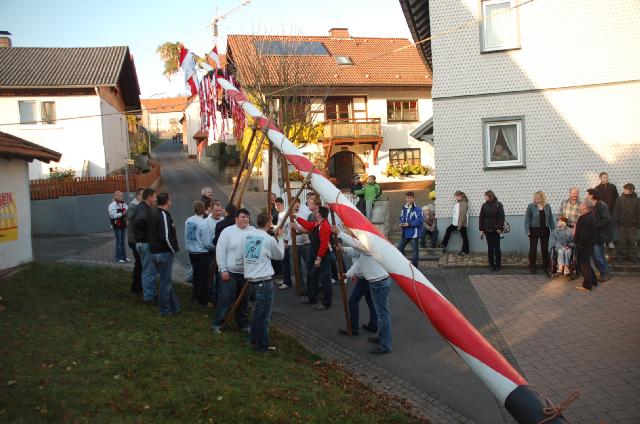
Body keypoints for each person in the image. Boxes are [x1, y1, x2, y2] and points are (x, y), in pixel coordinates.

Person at [336, 227, 392, 354]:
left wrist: (340, 233)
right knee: (380, 313)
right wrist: (343, 250)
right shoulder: (366, 245)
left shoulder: (368, 244)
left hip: (379, 282)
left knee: (383, 315)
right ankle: (382, 338)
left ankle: (385, 345)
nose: (355, 236)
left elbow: (357, 247)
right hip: (377, 282)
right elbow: (357, 254)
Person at [244, 212, 285, 353]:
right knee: (264, 316)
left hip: (253, 280)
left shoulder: (249, 236)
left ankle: (253, 339)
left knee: (258, 313)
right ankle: (262, 346)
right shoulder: (268, 239)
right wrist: (281, 238)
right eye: (271, 221)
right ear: (268, 223)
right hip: (264, 281)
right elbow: (279, 256)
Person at [212, 208, 255, 333]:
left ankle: (243, 323)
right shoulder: (227, 232)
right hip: (230, 272)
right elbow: (220, 251)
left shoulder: (253, 231)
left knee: (244, 300)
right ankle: (218, 323)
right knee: (226, 298)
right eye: (243, 217)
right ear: (236, 219)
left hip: (247, 273)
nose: (246, 219)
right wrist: (223, 269)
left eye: (247, 217)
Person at [332, 228, 378, 337]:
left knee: (353, 301)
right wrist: (343, 249)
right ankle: (374, 325)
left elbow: (359, 262)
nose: (352, 235)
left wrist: (347, 274)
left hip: (365, 277)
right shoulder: (362, 242)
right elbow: (355, 252)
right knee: (371, 301)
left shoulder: (364, 243)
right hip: (367, 276)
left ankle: (353, 328)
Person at [148, 193, 181, 316]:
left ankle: (175, 306)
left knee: (166, 280)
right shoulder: (163, 215)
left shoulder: (153, 213)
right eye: (170, 200)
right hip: (163, 253)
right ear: (167, 202)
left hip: (154, 252)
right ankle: (165, 310)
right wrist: (173, 249)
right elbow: (166, 236)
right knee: (165, 283)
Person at [295, 205, 332, 310]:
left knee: (325, 279)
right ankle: (312, 297)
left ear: (319, 214)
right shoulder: (318, 223)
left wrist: (319, 258)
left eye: (317, 211)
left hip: (324, 256)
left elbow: (324, 244)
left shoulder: (325, 225)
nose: (315, 212)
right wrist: (297, 218)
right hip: (319, 255)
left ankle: (326, 303)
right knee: (313, 275)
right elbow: (309, 226)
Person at [133, 188, 158, 304]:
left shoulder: (144, 207)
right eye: (154, 196)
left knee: (150, 270)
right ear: (149, 197)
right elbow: (139, 222)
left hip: (144, 242)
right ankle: (148, 296)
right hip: (145, 243)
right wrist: (150, 233)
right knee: (148, 271)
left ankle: (151, 293)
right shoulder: (143, 208)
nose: (155, 199)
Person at [185, 201, 209, 306]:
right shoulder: (203, 223)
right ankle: (202, 300)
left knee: (195, 275)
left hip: (191, 251)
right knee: (202, 277)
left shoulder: (189, 220)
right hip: (201, 252)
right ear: (203, 209)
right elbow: (206, 241)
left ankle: (194, 296)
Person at [586, 188, 612, 282]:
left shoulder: (602, 205)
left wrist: (594, 226)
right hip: (594, 235)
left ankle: (605, 274)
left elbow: (606, 220)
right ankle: (602, 272)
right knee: (595, 256)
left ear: (592, 195)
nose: (586, 196)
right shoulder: (592, 205)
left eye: (588, 194)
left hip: (600, 235)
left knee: (599, 256)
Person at [525, 191, 554, 274]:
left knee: (544, 249)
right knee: (533, 249)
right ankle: (532, 266)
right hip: (534, 230)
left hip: (545, 230)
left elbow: (551, 218)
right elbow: (527, 219)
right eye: (535, 197)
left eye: (537, 197)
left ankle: (546, 266)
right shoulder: (531, 206)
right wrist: (527, 230)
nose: (536, 198)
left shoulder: (547, 206)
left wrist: (553, 230)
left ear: (542, 197)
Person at [479, 190, 505, 272]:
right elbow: (481, 218)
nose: (484, 197)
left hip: (496, 230)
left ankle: (498, 265)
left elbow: (501, 217)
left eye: (485, 196)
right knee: (490, 248)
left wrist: (500, 228)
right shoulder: (484, 205)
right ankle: (491, 265)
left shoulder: (498, 204)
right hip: (487, 230)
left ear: (490, 196)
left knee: (497, 247)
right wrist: (481, 229)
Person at [574, 200, 597, 292]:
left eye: (582, 204)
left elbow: (584, 234)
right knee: (587, 263)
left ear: (585, 207)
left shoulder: (585, 218)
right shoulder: (588, 216)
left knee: (584, 265)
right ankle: (593, 281)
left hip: (584, 245)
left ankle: (587, 286)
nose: (580, 205)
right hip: (587, 244)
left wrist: (580, 244)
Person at [613, 183, 639, 261]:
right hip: (621, 225)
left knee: (632, 241)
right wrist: (615, 223)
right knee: (622, 242)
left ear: (631, 190)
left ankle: (633, 256)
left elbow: (639, 212)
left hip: (633, 225)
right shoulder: (619, 199)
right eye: (624, 189)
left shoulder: (637, 200)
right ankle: (621, 256)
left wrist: (638, 224)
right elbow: (616, 212)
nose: (624, 190)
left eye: (626, 189)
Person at [396, 192, 423, 267]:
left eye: (411, 198)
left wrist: (409, 224)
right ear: (406, 198)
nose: (409, 199)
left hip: (414, 234)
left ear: (413, 199)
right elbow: (401, 218)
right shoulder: (404, 208)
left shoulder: (418, 209)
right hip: (405, 233)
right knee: (399, 248)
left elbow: (420, 221)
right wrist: (401, 223)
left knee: (414, 253)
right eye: (408, 198)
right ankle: (406, 264)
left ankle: (415, 268)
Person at [126, 188, 144, 295]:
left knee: (140, 263)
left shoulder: (139, 206)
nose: (144, 197)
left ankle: (138, 286)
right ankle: (136, 287)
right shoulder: (133, 206)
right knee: (139, 263)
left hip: (137, 239)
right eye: (142, 195)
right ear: (137, 196)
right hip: (134, 240)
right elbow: (135, 221)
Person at [440, 191, 469, 256]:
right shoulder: (459, 203)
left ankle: (465, 251)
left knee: (464, 237)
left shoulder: (463, 203)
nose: (455, 198)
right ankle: (443, 244)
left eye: (456, 196)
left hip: (461, 224)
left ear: (460, 196)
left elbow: (463, 215)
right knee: (449, 229)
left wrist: (460, 226)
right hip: (456, 223)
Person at [595, 172, 619, 248]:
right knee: (603, 226)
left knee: (611, 226)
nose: (606, 179)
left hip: (612, 210)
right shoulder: (597, 188)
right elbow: (596, 200)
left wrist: (616, 209)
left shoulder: (612, 187)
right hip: (602, 211)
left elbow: (617, 198)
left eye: (607, 177)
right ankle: (604, 241)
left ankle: (611, 241)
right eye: (604, 177)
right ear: (600, 178)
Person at [292, 199, 310, 293]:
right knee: (297, 266)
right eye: (294, 203)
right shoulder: (287, 215)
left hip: (305, 243)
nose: (297, 205)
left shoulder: (305, 214)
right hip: (293, 244)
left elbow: (307, 228)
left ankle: (311, 285)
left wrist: (297, 228)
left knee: (309, 264)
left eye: (298, 203)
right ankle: (300, 285)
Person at [275, 197, 293, 290]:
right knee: (283, 261)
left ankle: (287, 282)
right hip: (281, 240)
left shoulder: (286, 214)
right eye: (275, 205)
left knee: (286, 262)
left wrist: (287, 241)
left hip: (285, 241)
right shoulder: (279, 214)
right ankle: (285, 279)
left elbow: (289, 229)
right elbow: (280, 227)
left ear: (282, 204)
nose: (277, 206)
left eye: (278, 204)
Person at [108, 191, 129, 263]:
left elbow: (127, 210)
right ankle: (119, 257)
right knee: (118, 242)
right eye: (120, 195)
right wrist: (122, 214)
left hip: (123, 225)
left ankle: (124, 257)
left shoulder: (124, 204)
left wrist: (126, 214)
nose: (121, 197)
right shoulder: (112, 205)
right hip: (117, 225)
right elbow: (113, 215)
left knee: (123, 242)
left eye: (122, 195)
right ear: (116, 196)